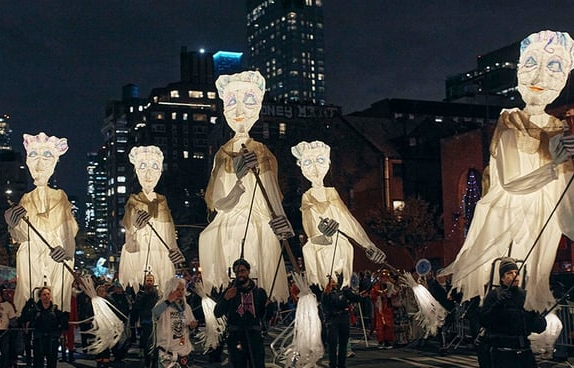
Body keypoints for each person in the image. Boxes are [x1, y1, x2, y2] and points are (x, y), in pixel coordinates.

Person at [440, 31, 574, 312]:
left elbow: (567, 198)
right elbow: (511, 183)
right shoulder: (511, 122)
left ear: (565, 77)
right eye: (531, 63)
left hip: (543, 226)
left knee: (534, 289)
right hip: (508, 222)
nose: (540, 76)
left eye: (554, 66)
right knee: (510, 284)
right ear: (519, 71)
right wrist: (553, 164)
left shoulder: (558, 129)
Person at [200, 70, 293, 303]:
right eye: (232, 102)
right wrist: (239, 182)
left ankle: (263, 300)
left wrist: (281, 221)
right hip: (231, 220)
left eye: (248, 101)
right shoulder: (222, 154)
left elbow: (271, 194)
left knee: (259, 236)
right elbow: (220, 203)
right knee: (209, 236)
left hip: (258, 218)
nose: (240, 111)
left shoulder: (262, 152)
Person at [292, 140, 386, 288]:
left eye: (320, 161)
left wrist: (367, 245)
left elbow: (347, 220)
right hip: (319, 247)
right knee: (314, 259)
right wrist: (322, 235)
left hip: (338, 246)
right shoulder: (307, 197)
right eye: (308, 163)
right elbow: (310, 224)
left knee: (343, 254)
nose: (315, 168)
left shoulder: (332, 193)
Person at [5, 133, 78, 316]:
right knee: (29, 285)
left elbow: (69, 229)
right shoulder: (26, 199)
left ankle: (58, 315)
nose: (39, 164)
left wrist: (66, 250)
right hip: (32, 250)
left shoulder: (59, 196)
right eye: (33, 156)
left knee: (59, 287)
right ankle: (28, 314)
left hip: (55, 250)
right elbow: (21, 235)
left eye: (46, 157)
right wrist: (13, 225)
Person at [214, 258, 276, 368]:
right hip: (236, 338)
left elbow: (266, 316)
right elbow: (217, 313)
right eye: (237, 271)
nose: (240, 274)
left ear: (248, 271)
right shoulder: (230, 290)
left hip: (254, 338)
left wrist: (270, 307)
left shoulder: (259, 292)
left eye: (242, 271)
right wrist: (225, 299)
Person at [118, 146, 184, 293]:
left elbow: (170, 232)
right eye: (143, 166)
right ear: (136, 171)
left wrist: (174, 249)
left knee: (163, 284)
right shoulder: (134, 201)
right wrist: (136, 224)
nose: (149, 173)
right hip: (139, 252)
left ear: (160, 171)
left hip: (161, 253)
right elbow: (129, 230)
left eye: (154, 167)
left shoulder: (162, 201)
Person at [19, 286, 68, 368]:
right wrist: (27, 307)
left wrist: (65, 317)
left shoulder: (56, 310)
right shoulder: (35, 310)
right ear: (40, 297)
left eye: (48, 294)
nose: (46, 297)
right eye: (44, 295)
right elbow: (22, 319)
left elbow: (65, 326)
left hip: (52, 343)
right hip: (38, 343)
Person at [321, 276, 362, 368]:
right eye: (331, 280)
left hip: (344, 318)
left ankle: (341, 366)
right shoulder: (327, 293)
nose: (333, 282)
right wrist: (326, 293)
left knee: (343, 343)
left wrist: (360, 296)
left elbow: (354, 298)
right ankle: (332, 366)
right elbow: (324, 305)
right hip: (333, 319)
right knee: (332, 343)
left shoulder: (344, 290)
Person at [132, 273, 160, 368]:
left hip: (156, 321)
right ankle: (147, 365)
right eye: (147, 280)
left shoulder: (156, 293)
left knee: (156, 345)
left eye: (150, 280)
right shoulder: (141, 293)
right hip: (146, 321)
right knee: (147, 344)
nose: (149, 282)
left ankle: (155, 367)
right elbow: (137, 307)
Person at [370, 270, 397, 349]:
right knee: (380, 325)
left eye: (386, 278)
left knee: (389, 325)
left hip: (388, 307)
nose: (384, 279)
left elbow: (395, 294)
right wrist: (379, 294)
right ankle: (381, 341)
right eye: (383, 277)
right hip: (380, 308)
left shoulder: (390, 286)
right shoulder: (376, 286)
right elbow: (372, 296)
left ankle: (387, 341)